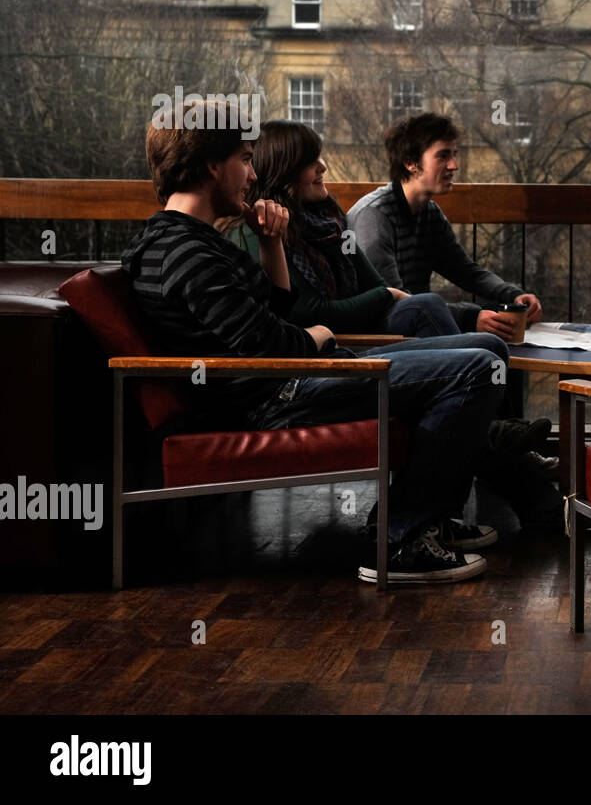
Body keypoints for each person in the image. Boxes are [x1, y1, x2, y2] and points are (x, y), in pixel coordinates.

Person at [122, 119, 507, 585]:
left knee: (488, 345)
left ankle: (427, 515)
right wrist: (320, 335)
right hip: (279, 397)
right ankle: (400, 539)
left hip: (293, 380)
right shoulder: (185, 254)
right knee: (480, 367)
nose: (252, 175)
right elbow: (274, 345)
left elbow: (273, 309)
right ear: (211, 167)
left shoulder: (194, 239)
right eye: (244, 160)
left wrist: (270, 243)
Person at [221, 120, 462, 339]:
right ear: (284, 171)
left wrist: (385, 295)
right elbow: (310, 312)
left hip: (361, 332)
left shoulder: (329, 224)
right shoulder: (262, 229)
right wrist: (389, 295)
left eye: (320, 157)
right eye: (310, 161)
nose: (323, 167)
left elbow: (375, 286)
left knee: (470, 332)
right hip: (336, 348)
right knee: (430, 311)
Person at [347, 112, 542, 338]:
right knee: (488, 337)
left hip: (417, 326)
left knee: (502, 337)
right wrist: (469, 319)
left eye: (454, 155)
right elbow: (393, 299)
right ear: (410, 163)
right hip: (378, 340)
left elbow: (466, 272)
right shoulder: (374, 217)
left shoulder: (429, 212)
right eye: (443, 156)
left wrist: (513, 295)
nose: (454, 165)